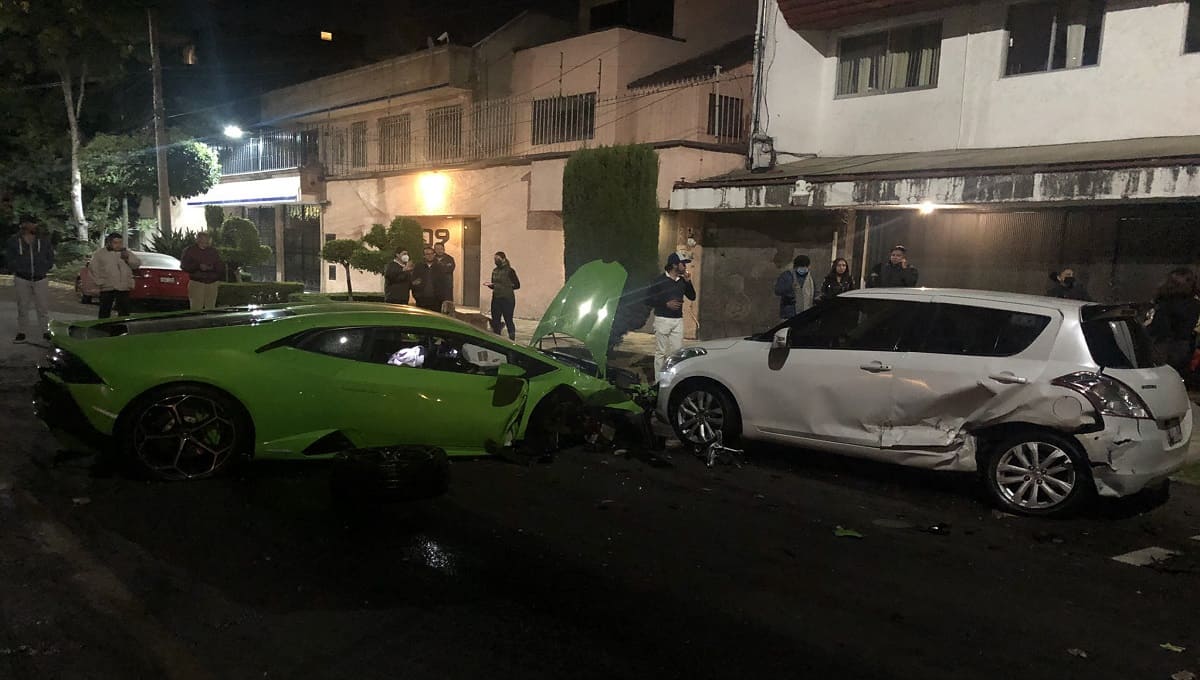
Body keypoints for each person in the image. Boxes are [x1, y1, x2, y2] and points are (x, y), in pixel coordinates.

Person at [5, 215, 54, 343]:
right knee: (22, 306)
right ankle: (22, 332)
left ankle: (45, 331)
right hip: (22, 278)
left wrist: (45, 267)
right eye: (31, 223)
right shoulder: (14, 240)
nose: (34, 226)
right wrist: (17, 267)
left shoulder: (43, 240)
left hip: (40, 278)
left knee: (42, 307)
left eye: (35, 223)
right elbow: (9, 257)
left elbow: (50, 256)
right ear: (24, 224)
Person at [648, 252, 696, 375]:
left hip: (677, 320)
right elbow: (648, 299)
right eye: (683, 264)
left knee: (677, 352)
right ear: (674, 265)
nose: (685, 267)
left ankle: (673, 379)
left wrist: (688, 282)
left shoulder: (682, 281)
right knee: (661, 352)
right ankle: (659, 382)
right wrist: (665, 303)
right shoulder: (660, 280)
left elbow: (692, 296)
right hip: (662, 319)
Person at [1147, 268, 1200, 375]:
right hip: (1185, 346)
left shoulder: (1166, 304)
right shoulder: (1195, 304)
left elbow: (1159, 329)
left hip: (1164, 346)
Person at [88, 233, 141, 319]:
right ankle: (103, 328)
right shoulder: (100, 254)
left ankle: (123, 329)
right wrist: (99, 281)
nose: (118, 245)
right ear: (109, 242)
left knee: (124, 311)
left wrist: (127, 258)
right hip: (107, 286)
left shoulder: (126, 253)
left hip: (123, 286)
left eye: (120, 242)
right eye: (115, 242)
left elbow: (136, 265)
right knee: (105, 310)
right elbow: (93, 268)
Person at [179, 232, 224, 311]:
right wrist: (198, 266)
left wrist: (212, 268)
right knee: (196, 307)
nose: (205, 244)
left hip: (212, 282)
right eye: (203, 241)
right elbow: (184, 266)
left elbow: (220, 266)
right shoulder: (190, 251)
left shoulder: (213, 251)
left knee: (210, 308)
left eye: (207, 241)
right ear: (198, 240)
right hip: (197, 282)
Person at [484, 251, 521, 340]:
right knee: (495, 321)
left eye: (498, 259)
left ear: (503, 259)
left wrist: (503, 286)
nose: (496, 261)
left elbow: (517, 285)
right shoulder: (495, 271)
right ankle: (497, 339)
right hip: (496, 298)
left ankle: (512, 339)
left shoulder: (510, 271)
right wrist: (491, 285)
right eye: (495, 259)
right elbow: (494, 284)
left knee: (508, 320)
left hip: (507, 299)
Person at [773, 255, 815, 319]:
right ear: (795, 267)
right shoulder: (787, 276)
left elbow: (814, 292)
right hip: (789, 314)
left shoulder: (810, 278)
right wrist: (789, 288)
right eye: (801, 266)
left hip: (806, 314)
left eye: (805, 266)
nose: (803, 269)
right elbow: (777, 290)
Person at [411, 246, 440, 311]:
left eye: (432, 254)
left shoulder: (440, 267)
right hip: (421, 300)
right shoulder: (418, 267)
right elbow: (413, 282)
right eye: (427, 254)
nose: (430, 256)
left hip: (436, 301)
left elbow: (444, 283)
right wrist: (417, 296)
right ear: (424, 256)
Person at [432, 242, 456, 310]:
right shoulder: (432, 259)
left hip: (446, 289)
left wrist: (439, 267)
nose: (439, 251)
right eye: (437, 249)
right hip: (435, 289)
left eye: (441, 249)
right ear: (434, 250)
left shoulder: (449, 259)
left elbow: (449, 269)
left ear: (444, 249)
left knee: (448, 308)